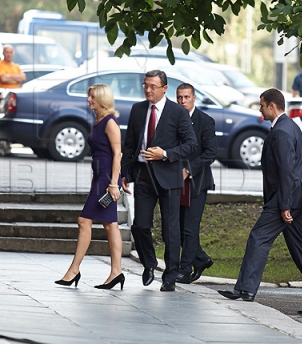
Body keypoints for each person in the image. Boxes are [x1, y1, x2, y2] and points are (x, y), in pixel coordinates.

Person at [219, 88, 302, 315]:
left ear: (272, 106)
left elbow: (287, 171)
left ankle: (245, 289)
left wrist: (285, 205)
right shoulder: (290, 126)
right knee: (299, 248)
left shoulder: (281, 131)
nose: (260, 109)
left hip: (288, 196)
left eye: (262, 105)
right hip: (300, 195)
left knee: (258, 237)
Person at [121, 70, 197, 292]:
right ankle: (149, 264)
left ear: (164, 88)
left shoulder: (177, 112)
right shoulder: (137, 110)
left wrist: (164, 154)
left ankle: (170, 276)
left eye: (153, 86)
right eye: (145, 85)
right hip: (144, 176)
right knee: (140, 225)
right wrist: (124, 173)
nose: (148, 90)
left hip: (169, 176)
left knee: (170, 229)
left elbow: (191, 144)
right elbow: (130, 144)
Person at [56, 84, 125, 289]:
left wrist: (113, 183)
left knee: (84, 220)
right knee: (109, 224)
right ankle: (116, 272)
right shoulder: (98, 120)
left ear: (102, 99)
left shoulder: (110, 122)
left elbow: (117, 155)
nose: (88, 100)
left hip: (107, 179)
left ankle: (75, 270)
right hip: (100, 178)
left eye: (92, 97)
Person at [175, 83, 218, 284]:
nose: (183, 101)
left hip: (197, 182)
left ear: (194, 98)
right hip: (174, 181)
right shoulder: (173, 119)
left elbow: (211, 153)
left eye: (186, 97)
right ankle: (200, 259)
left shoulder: (205, 121)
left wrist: (189, 169)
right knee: (179, 227)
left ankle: (185, 269)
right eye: (179, 98)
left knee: (190, 228)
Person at [0, 44, 26, 156]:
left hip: (13, 98)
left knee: (9, 121)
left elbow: (23, 78)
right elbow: (2, 78)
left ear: (13, 53)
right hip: (0, 98)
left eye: (10, 52)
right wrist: (15, 79)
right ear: (3, 53)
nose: (8, 54)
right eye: (6, 52)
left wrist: (9, 77)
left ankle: (7, 147)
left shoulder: (16, 66)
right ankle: (0, 147)